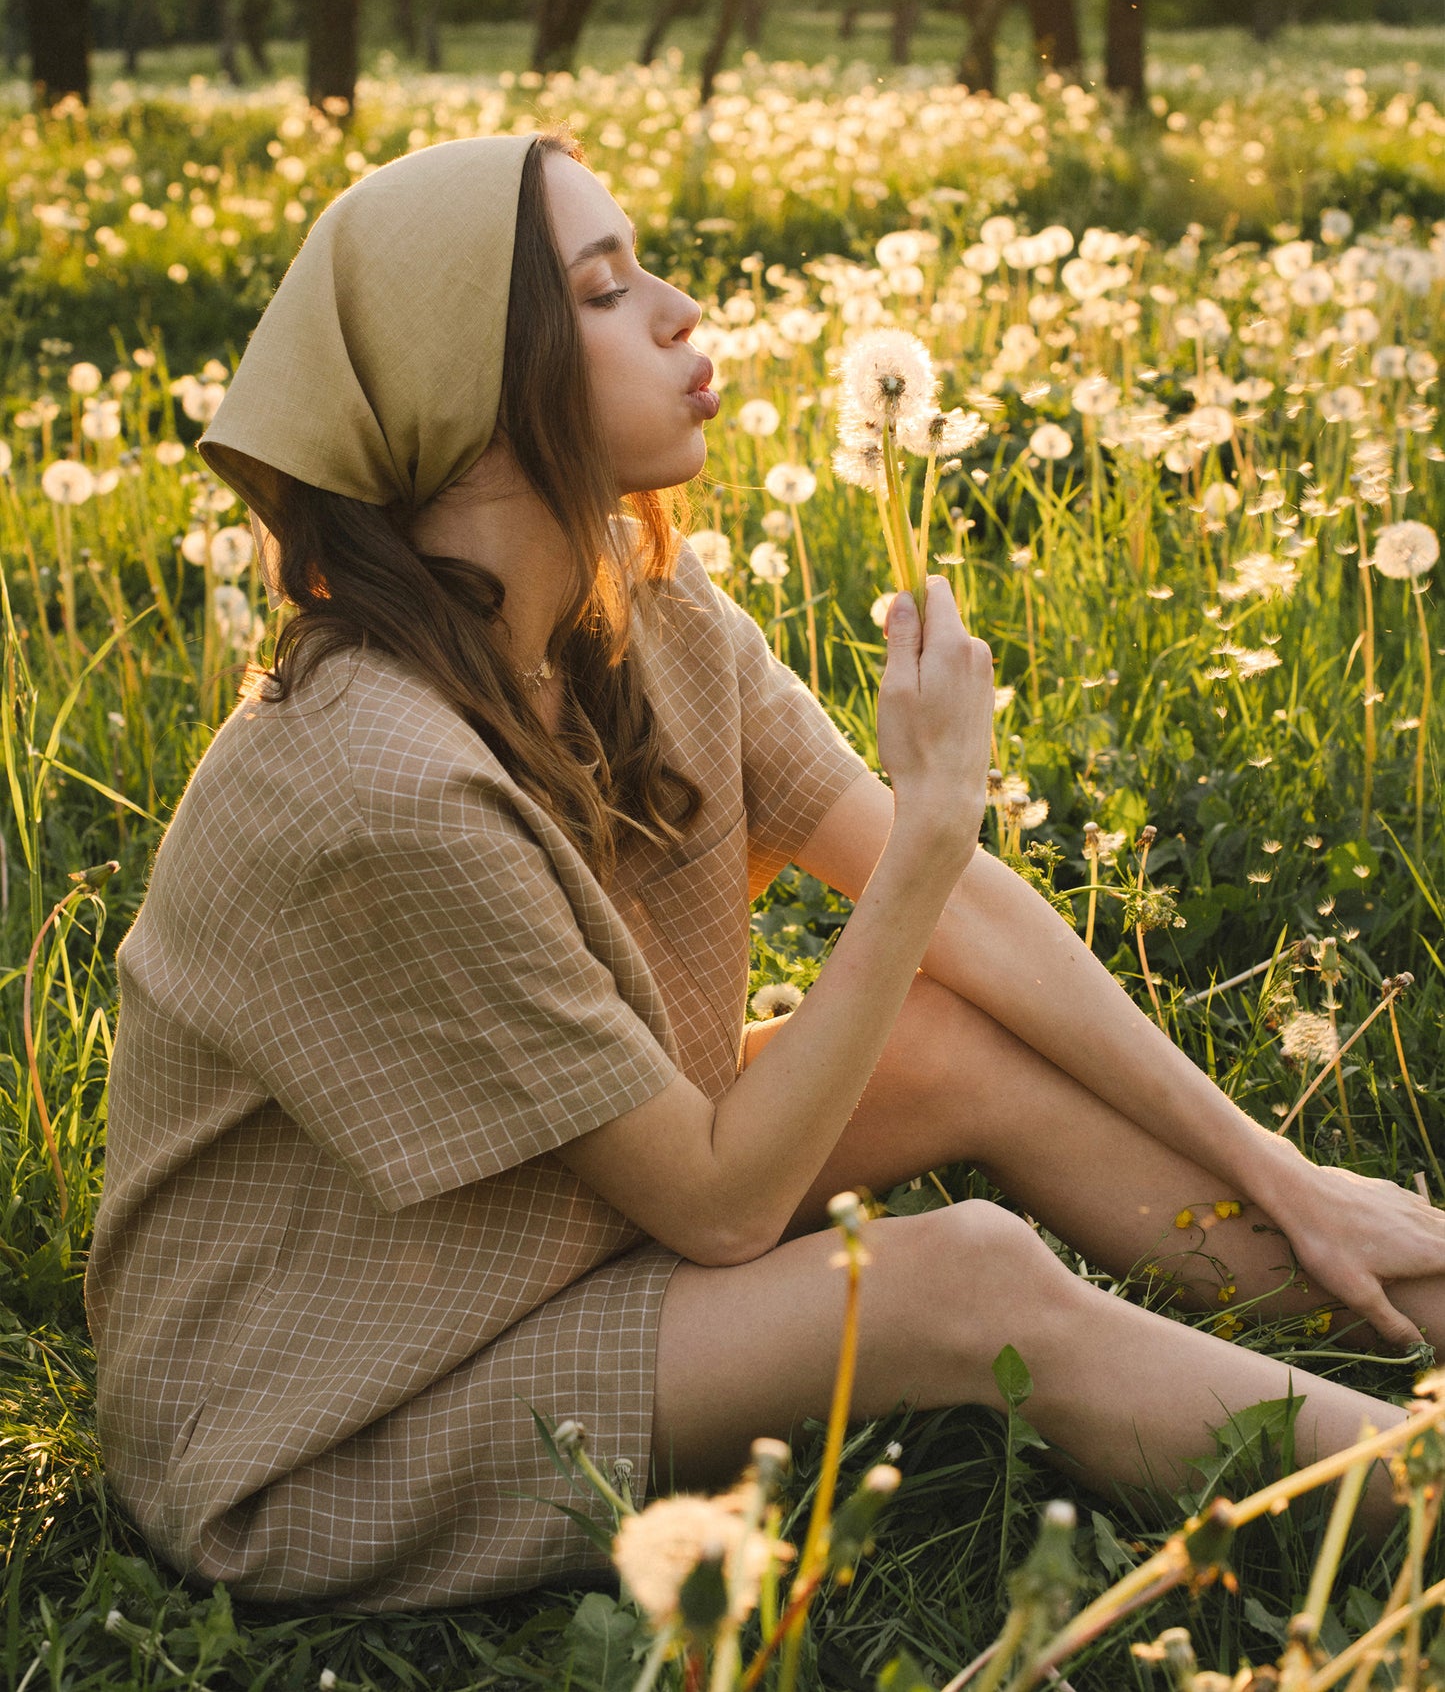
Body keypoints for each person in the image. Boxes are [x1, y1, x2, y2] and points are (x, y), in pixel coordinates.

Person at [86, 128, 1445, 1613]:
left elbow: (966, 920)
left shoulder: (640, 604)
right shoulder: (378, 781)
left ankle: (1392, 1286)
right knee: (959, 1276)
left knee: (937, 1042)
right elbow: (724, 1208)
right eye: (605, 291)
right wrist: (929, 826)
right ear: (466, 397)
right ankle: (1414, 1496)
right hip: (330, 1424)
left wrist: (1282, 1171)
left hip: (517, 1237)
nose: (680, 309)